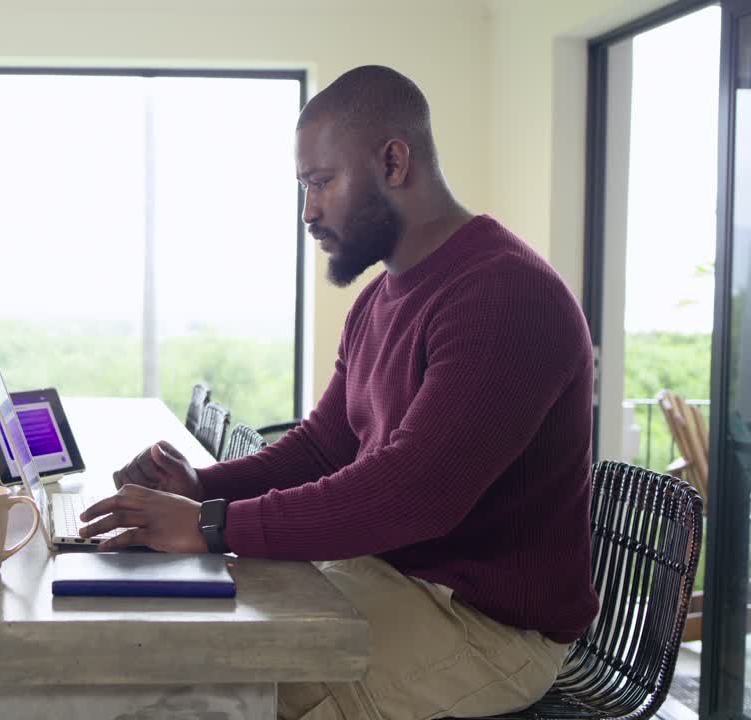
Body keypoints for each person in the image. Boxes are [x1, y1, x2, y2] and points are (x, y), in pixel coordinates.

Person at [78, 65, 599, 720]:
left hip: (484, 630)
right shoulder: (382, 297)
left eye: (321, 182)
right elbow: (325, 447)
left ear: (392, 161)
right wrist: (202, 488)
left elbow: (414, 492)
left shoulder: (504, 295)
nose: (308, 211)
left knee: (222, 697)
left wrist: (212, 526)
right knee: (180, 650)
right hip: (385, 575)